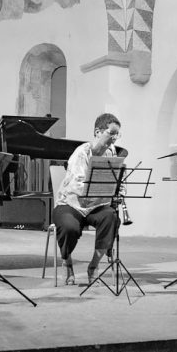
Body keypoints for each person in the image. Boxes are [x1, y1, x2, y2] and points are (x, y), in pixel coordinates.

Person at [53, 113, 122, 285]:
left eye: (117, 134)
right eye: (111, 133)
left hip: (96, 205)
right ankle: (67, 260)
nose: (114, 138)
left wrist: (119, 187)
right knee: (69, 227)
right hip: (71, 203)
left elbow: (118, 178)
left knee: (111, 217)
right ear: (98, 132)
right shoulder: (81, 153)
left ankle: (94, 265)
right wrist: (107, 188)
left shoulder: (111, 152)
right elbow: (78, 186)